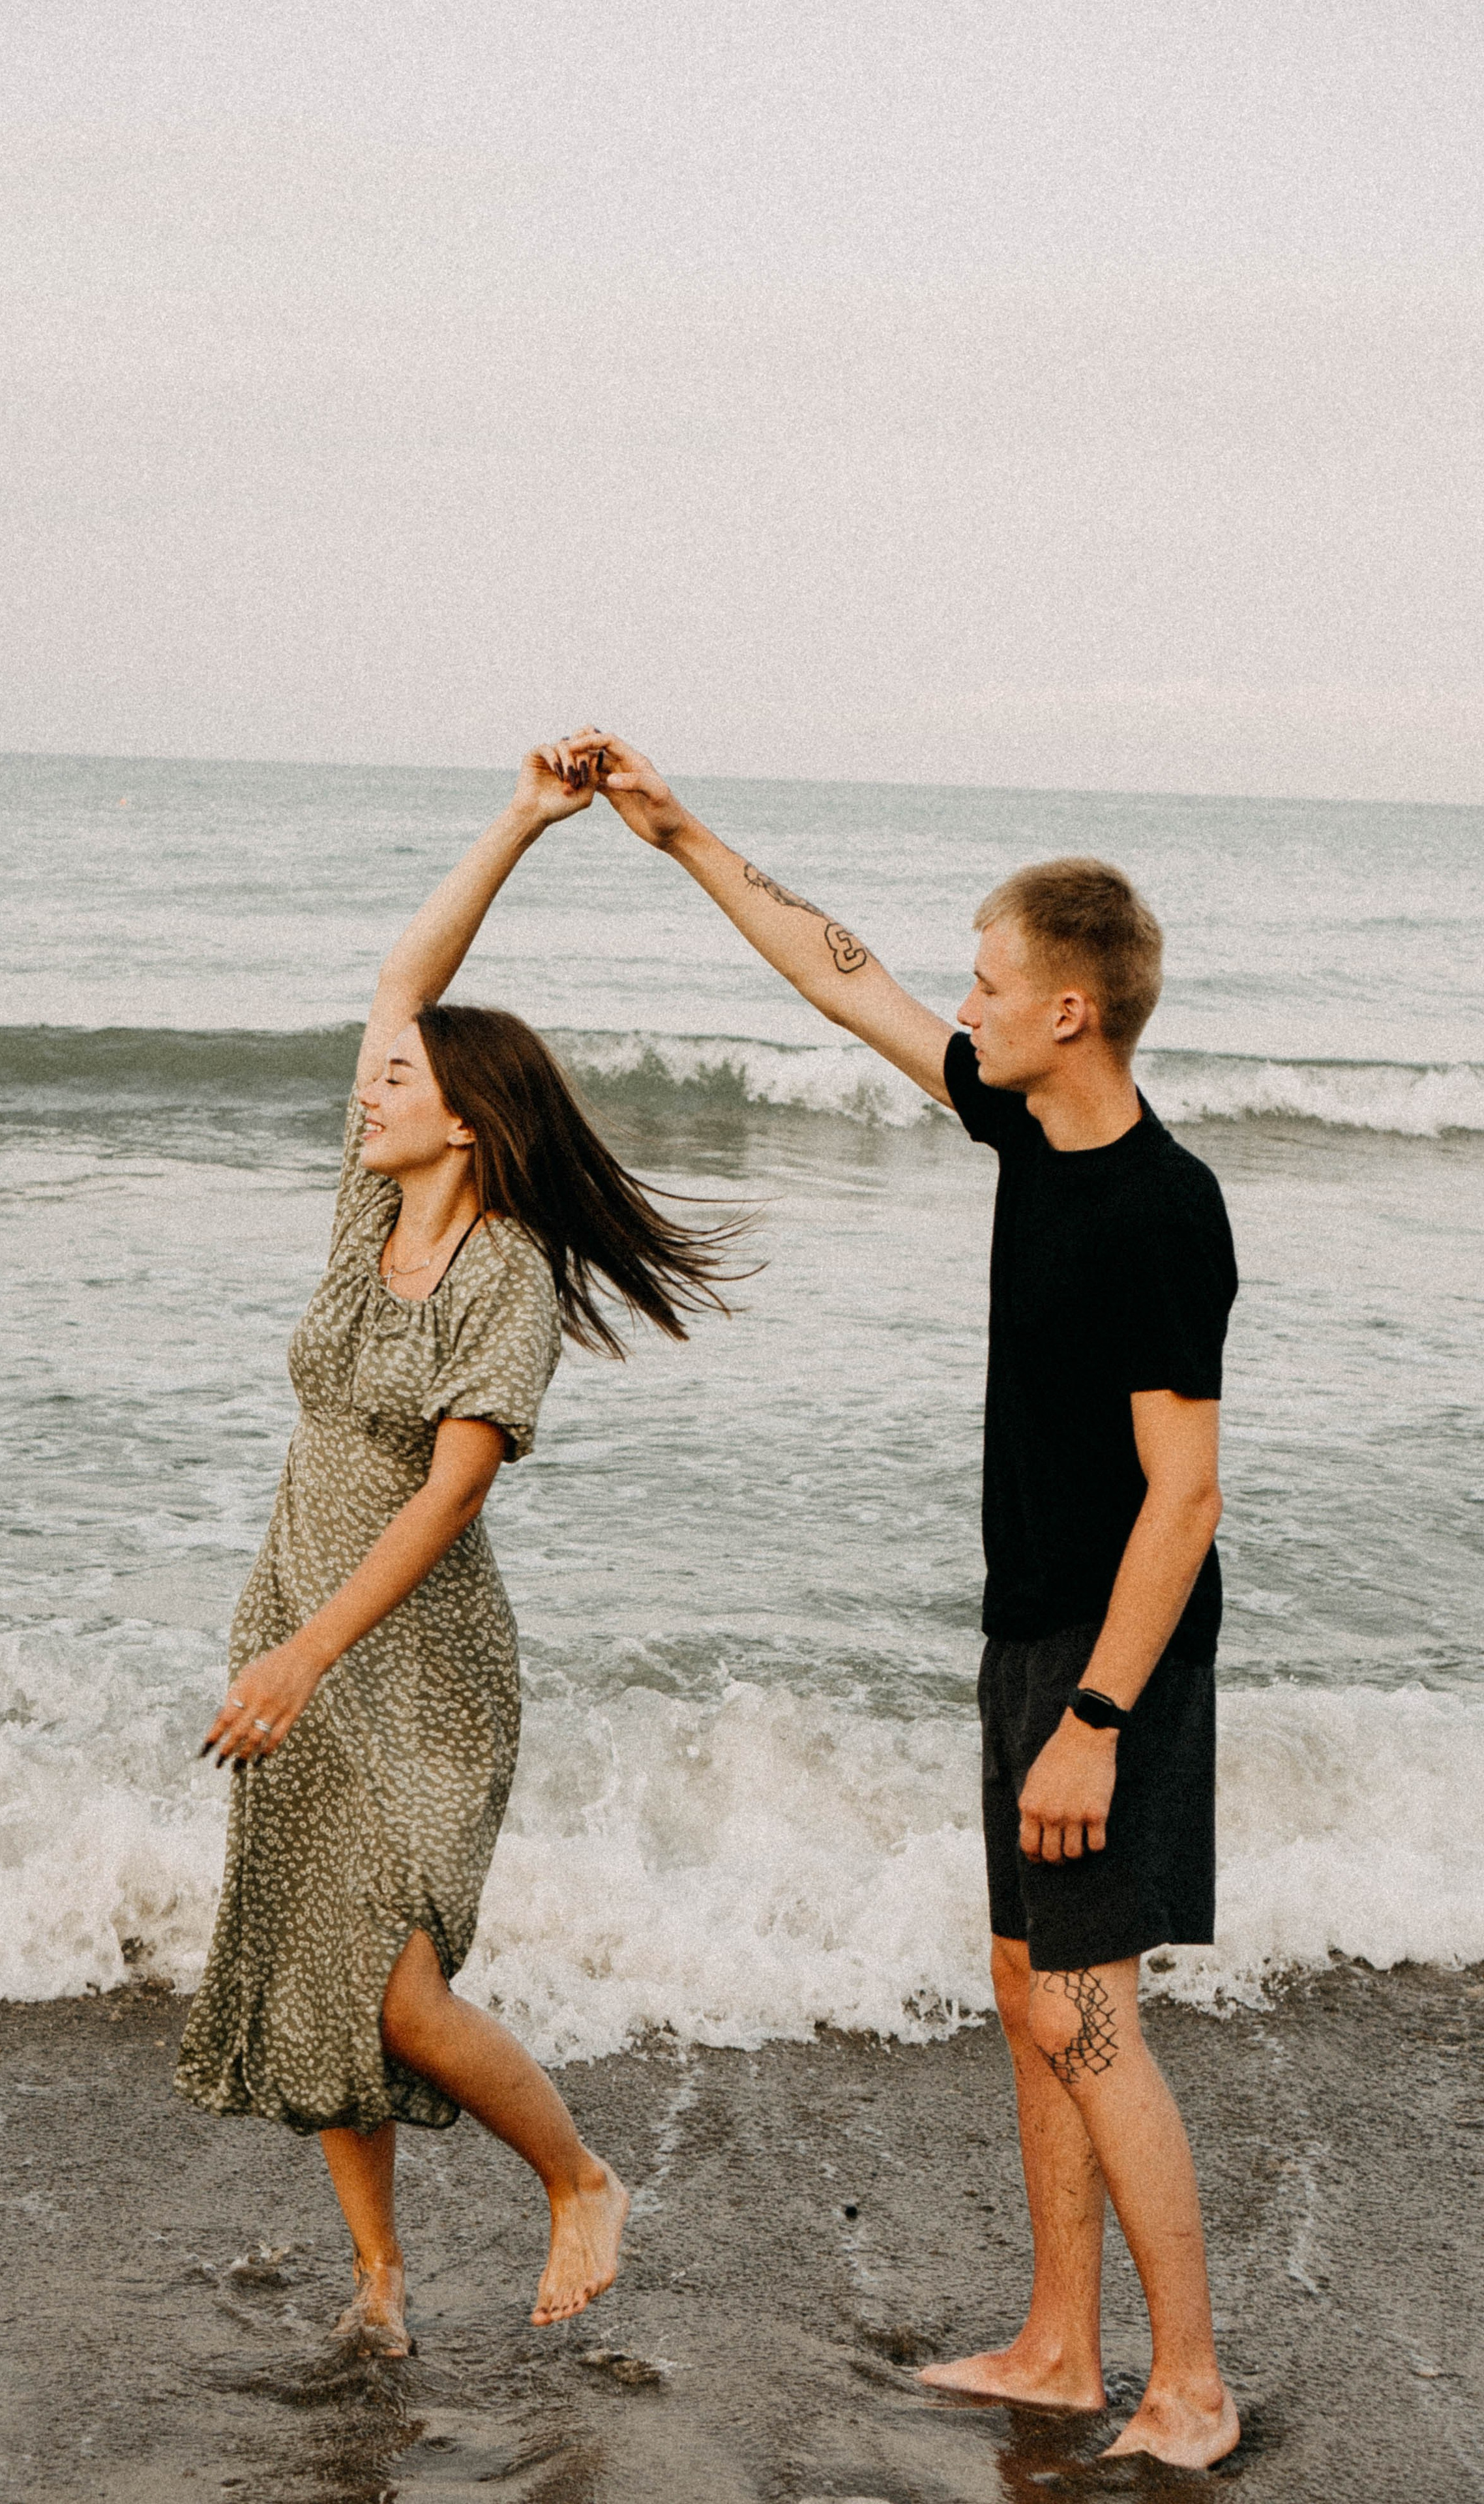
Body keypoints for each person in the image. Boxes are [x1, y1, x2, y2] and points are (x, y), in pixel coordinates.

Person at [578, 731, 1240, 2471]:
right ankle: (1055, 2343)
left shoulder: (1165, 1211)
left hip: (1116, 1666)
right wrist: (680, 836)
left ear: (1072, 1013)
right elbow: (840, 973)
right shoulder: (1028, 1132)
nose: (968, 995)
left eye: (994, 975)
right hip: (1031, 1633)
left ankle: (1189, 2386)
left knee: (1091, 2022)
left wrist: (1096, 1723)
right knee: (1033, 1998)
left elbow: (1188, 1496)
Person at [174, 734, 745, 2355]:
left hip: (412, 1664)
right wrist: (519, 821)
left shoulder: (504, 1280)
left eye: (403, 1082)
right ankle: (379, 2288)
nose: (372, 1087)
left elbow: (447, 1499)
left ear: (470, 1123)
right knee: (311, 1963)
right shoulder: (369, 1213)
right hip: (290, 1614)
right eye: (381, 1074)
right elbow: (398, 982)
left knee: (394, 1990)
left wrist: (304, 1653)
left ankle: (577, 2178)